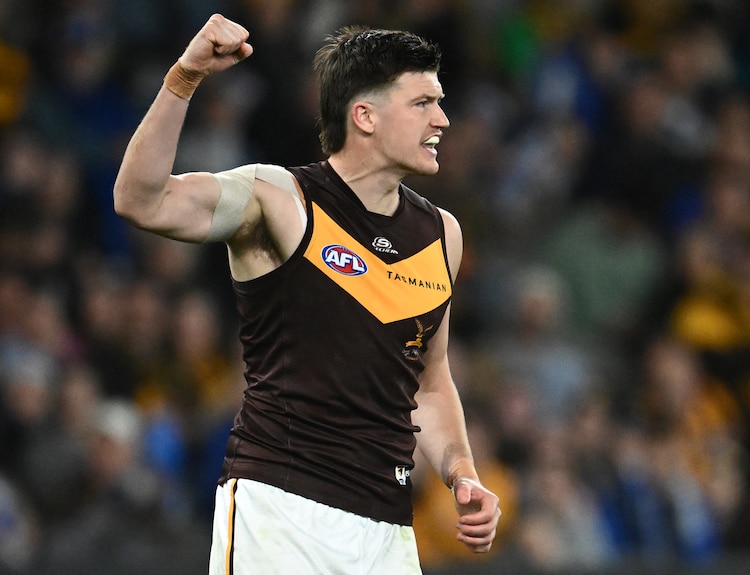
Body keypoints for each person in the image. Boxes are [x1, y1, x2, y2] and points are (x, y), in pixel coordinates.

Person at [112, 13, 501, 575]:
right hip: (281, 509)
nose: (442, 118)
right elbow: (140, 200)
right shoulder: (278, 198)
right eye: (423, 103)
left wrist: (462, 473)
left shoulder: (443, 235)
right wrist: (184, 78)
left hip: (387, 529)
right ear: (364, 116)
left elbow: (430, 378)